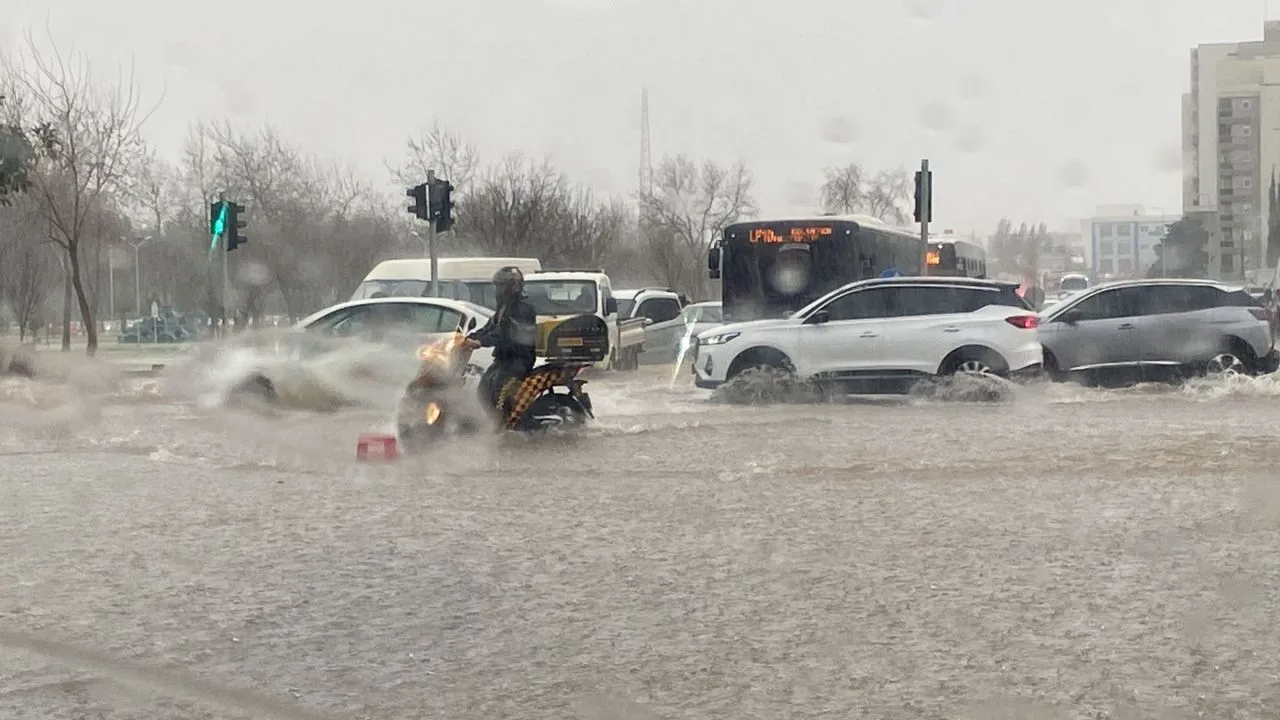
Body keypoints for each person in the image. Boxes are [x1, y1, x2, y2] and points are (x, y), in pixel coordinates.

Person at [465, 266, 538, 418]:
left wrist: (481, 342)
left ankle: (509, 425)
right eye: (497, 286)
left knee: (500, 391)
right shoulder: (504, 307)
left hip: (518, 360)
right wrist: (469, 337)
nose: (498, 290)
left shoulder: (522, 308)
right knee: (483, 391)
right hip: (503, 359)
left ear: (513, 286)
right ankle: (496, 423)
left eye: (501, 286)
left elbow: (504, 334)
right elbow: (491, 326)